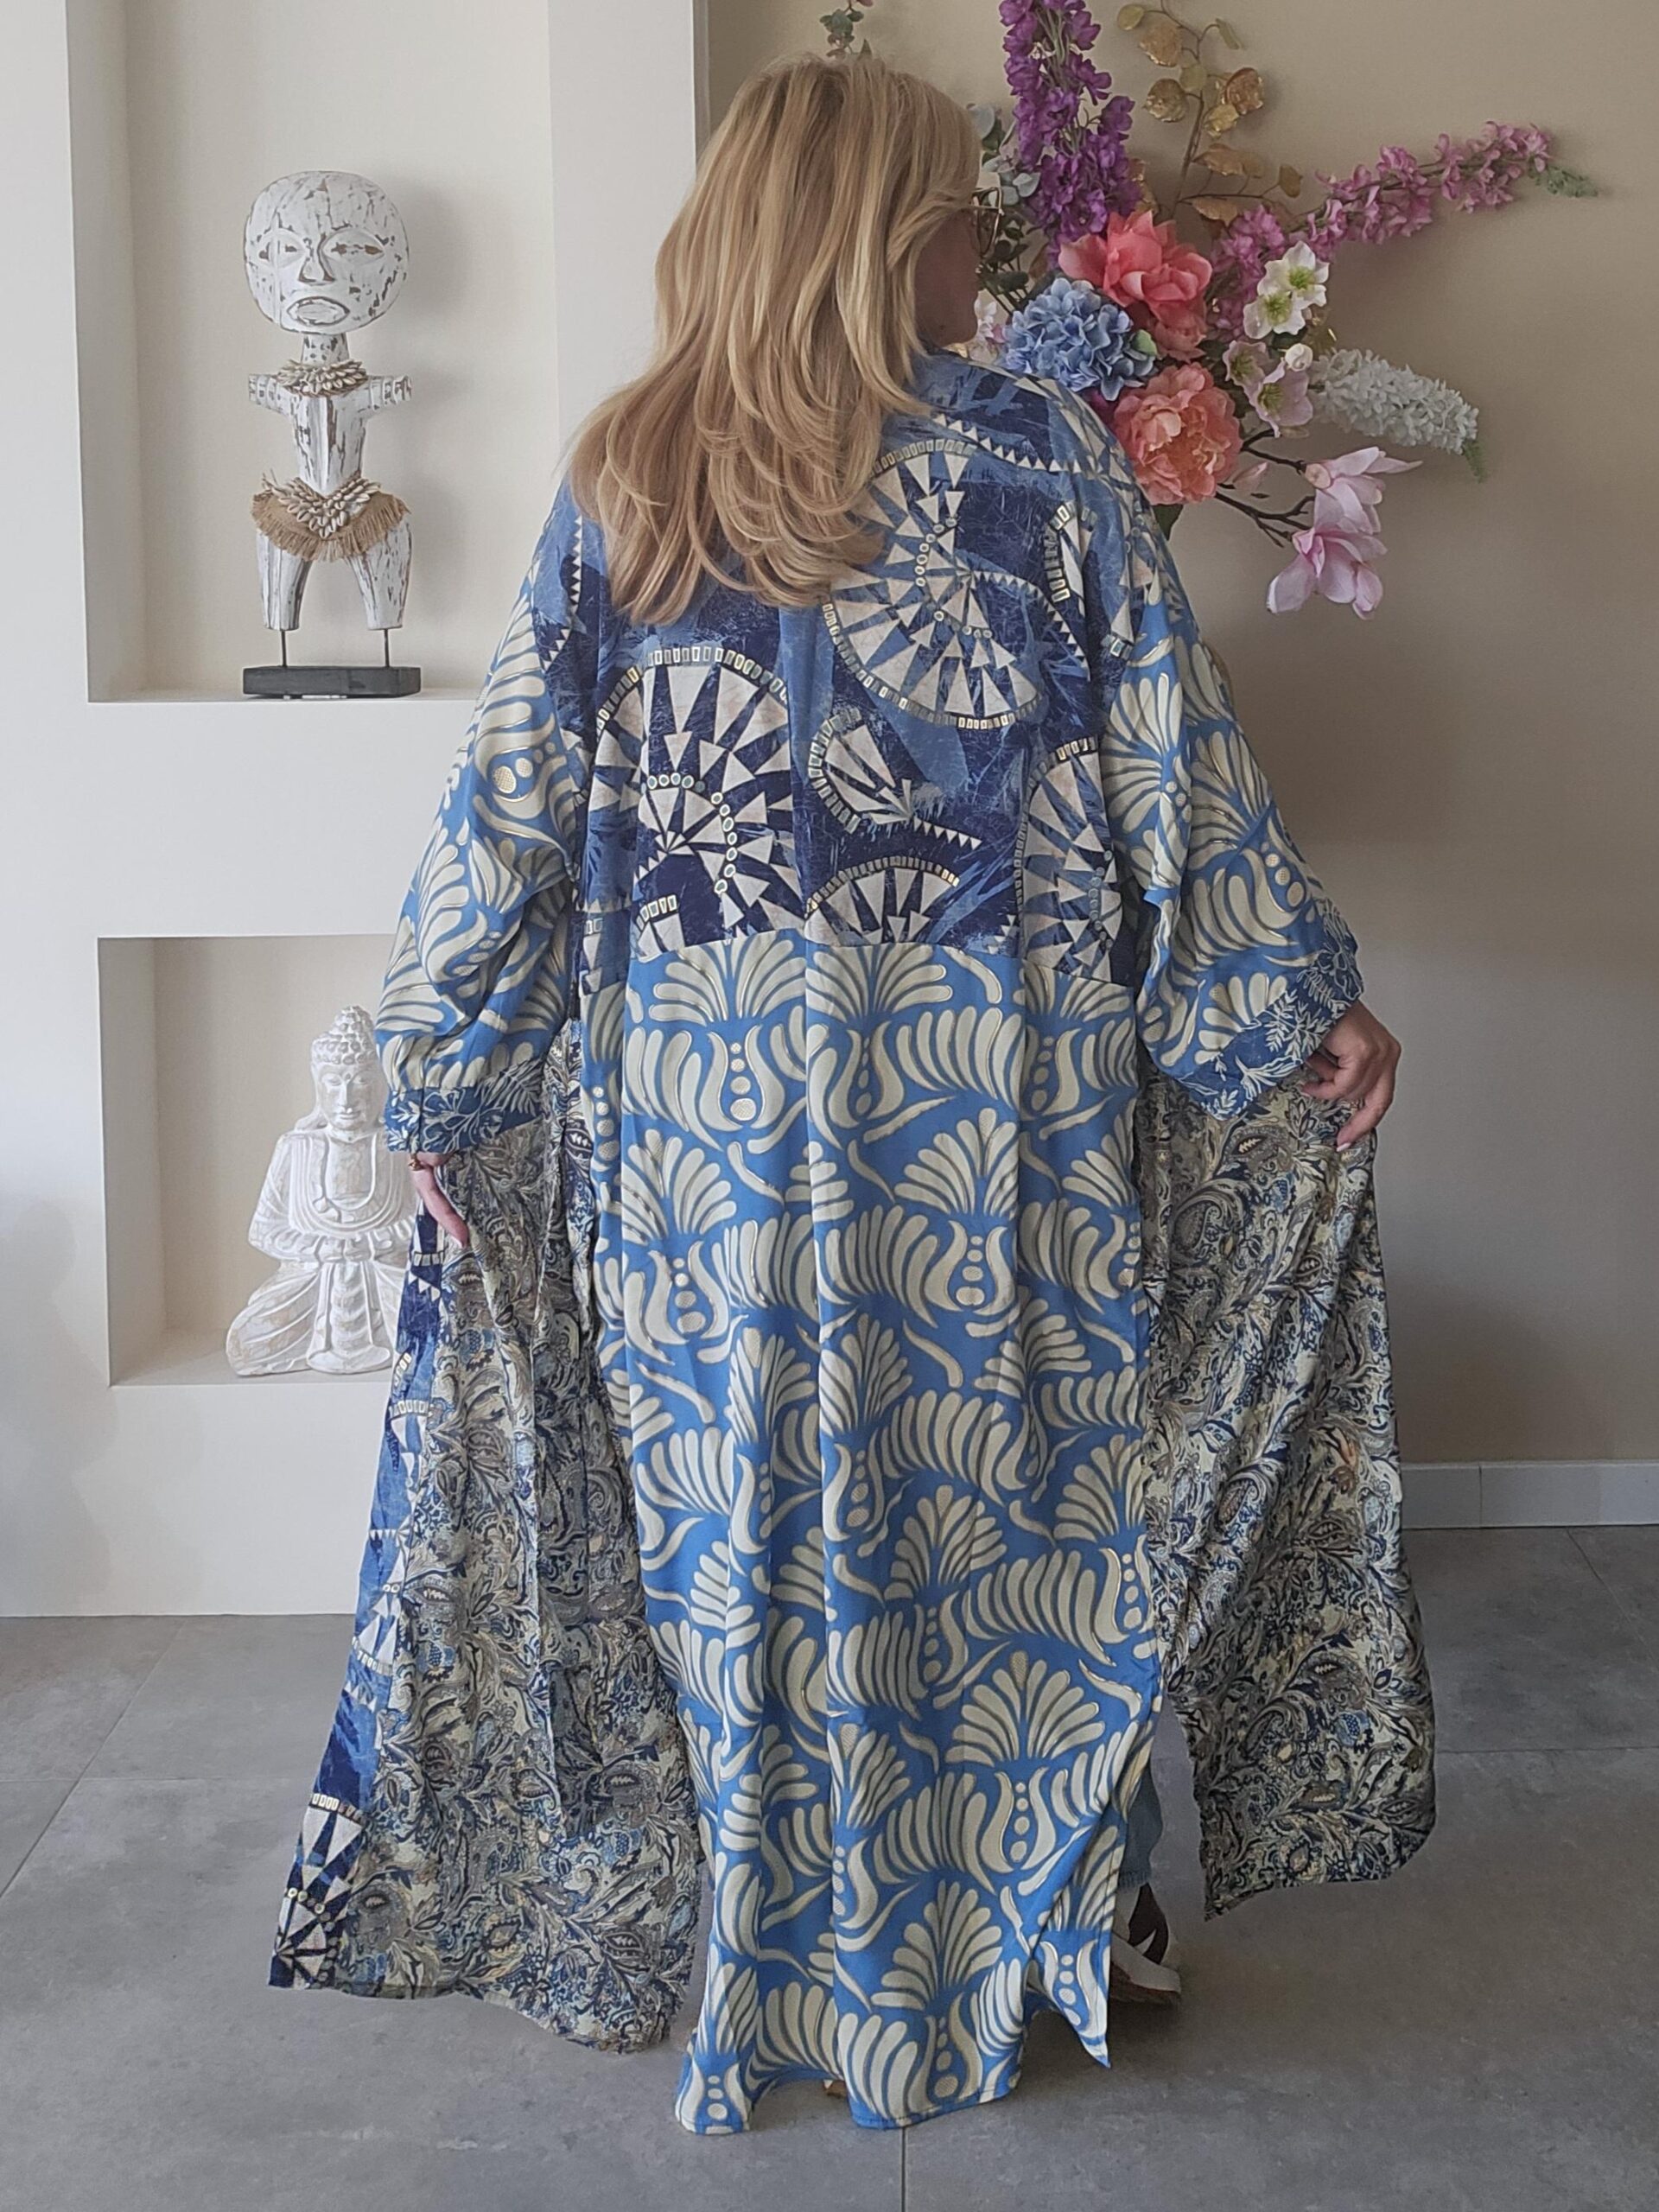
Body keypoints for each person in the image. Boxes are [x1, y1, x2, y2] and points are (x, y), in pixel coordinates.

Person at [270, 50, 1432, 2136]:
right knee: (1016, 1516)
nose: (976, 245)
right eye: (951, 213)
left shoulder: (630, 474)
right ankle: (1032, 1912)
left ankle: (787, 1944)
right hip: (993, 1106)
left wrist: (440, 1069)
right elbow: (1172, 767)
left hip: (698, 1136)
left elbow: (508, 809)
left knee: (747, 1531)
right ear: (883, 232)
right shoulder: (1040, 459)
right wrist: (1289, 1002)